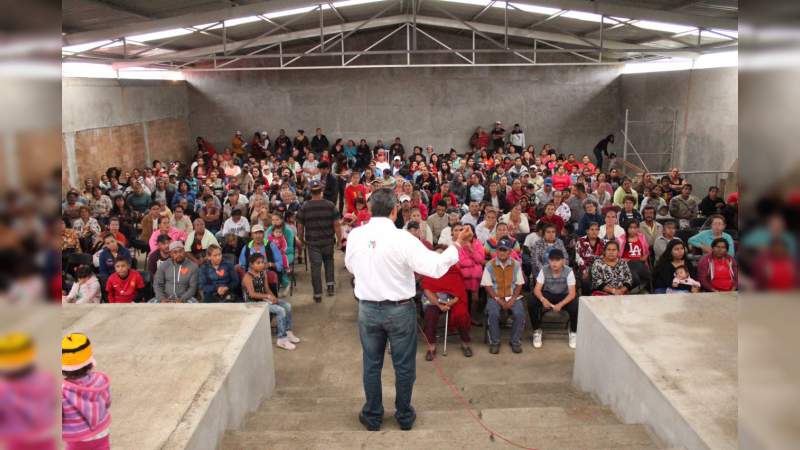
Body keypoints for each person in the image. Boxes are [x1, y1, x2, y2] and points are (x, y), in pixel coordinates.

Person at [344, 188, 470, 432]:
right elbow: (434, 267)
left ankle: (372, 415)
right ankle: (403, 416)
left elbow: (351, 266)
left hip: (368, 308)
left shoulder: (357, 236)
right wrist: (456, 245)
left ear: (369, 209)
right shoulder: (403, 239)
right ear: (394, 212)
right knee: (403, 366)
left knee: (371, 364)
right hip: (399, 311)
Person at [420, 246, 473, 360]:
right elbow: (427, 290)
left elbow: (460, 291)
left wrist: (451, 303)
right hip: (435, 300)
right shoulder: (430, 271)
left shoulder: (453, 271)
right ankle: (431, 347)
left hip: (452, 300)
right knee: (430, 315)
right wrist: (439, 304)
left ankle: (465, 343)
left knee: (462, 315)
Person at [61, 333, 111, 450]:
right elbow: (107, 402)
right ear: (89, 363)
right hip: (101, 430)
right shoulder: (100, 379)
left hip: (78, 437)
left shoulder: (62, 390)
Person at [297, 179, 342, 302]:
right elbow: (337, 225)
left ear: (310, 192)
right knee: (329, 262)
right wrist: (339, 240)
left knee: (315, 267)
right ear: (321, 191)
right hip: (328, 241)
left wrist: (300, 239)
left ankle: (317, 294)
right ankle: (330, 286)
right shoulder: (330, 205)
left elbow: (300, 226)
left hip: (312, 243)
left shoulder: (304, 207)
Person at [481, 237, 526, 354]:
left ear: (510, 251)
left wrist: (513, 299)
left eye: (505, 250)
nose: (502, 252)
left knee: (520, 313)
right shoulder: (490, 265)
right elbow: (487, 286)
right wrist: (498, 299)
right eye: (500, 249)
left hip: (512, 296)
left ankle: (515, 341)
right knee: (493, 313)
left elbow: (519, 284)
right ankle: (495, 342)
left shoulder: (516, 264)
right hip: (495, 296)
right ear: (496, 251)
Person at [530, 249, 578, 349]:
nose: (554, 263)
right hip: (549, 294)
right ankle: (537, 330)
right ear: (548, 261)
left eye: (557, 260)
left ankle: (573, 332)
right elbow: (537, 289)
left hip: (564, 295)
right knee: (532, 302)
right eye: (552, 260)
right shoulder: (544, 270)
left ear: (563, 261)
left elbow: (572, 293)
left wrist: (560, 304)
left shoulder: (569, 271)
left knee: (575, 305)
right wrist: (543, 299)